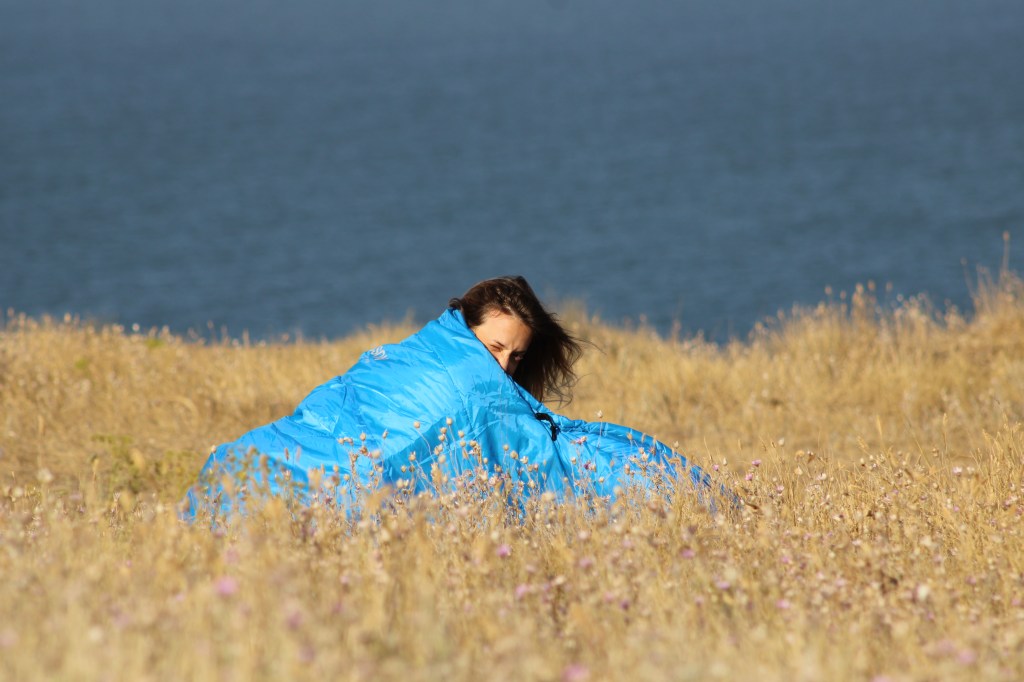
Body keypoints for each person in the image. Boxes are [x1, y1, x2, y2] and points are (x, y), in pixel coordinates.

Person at [182, 276, 733, 521]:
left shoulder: (490, 387)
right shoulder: (433, 361)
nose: (504, 368)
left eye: (516, 358)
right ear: (463, 330)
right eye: (494, 348)